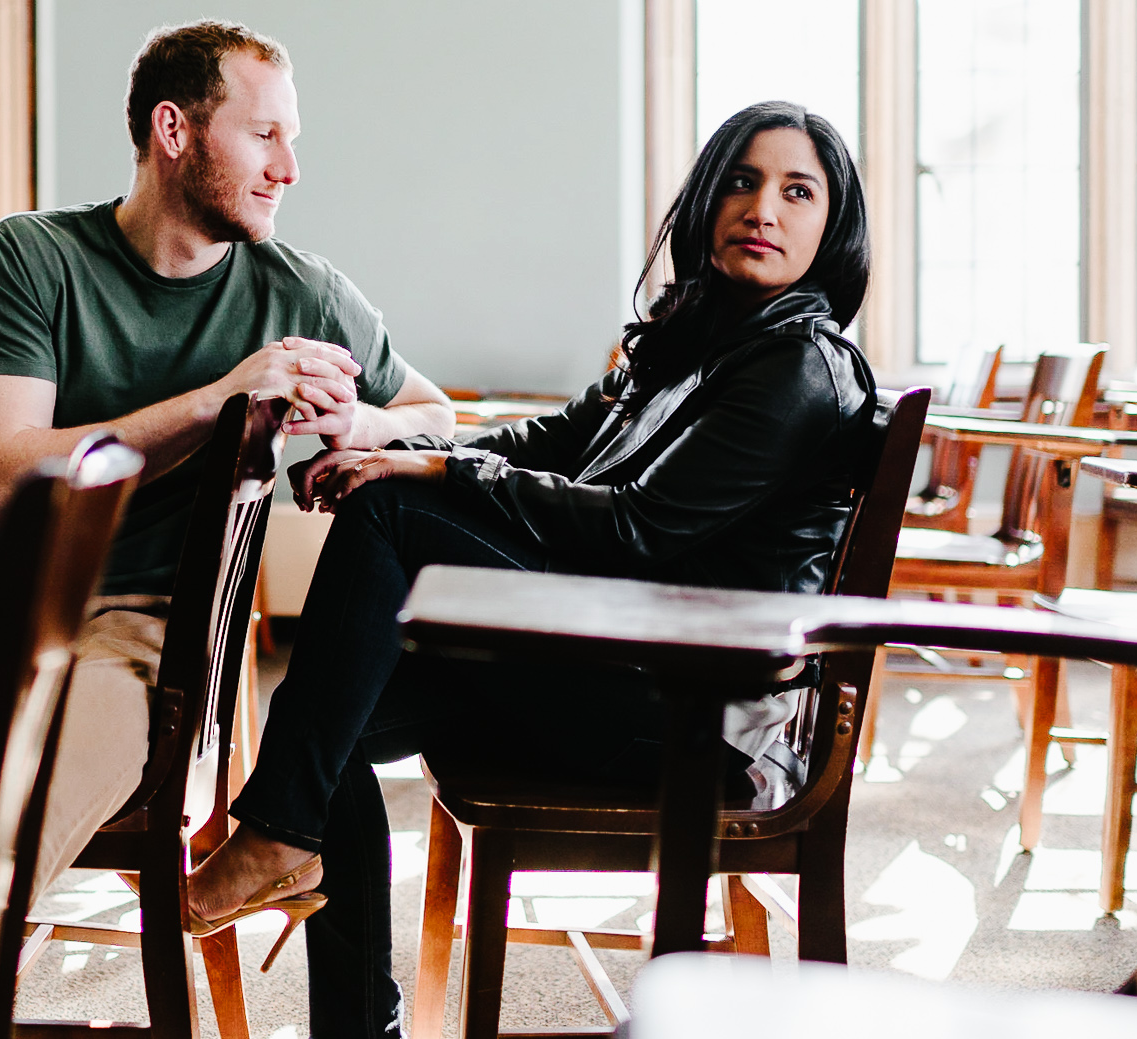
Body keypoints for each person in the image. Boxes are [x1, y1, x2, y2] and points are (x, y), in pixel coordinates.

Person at [0, 19, 455, 999]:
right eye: (263, 135)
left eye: (292, 139)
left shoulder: (303, 291)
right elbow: (6, 476)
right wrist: (219, 400)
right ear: (174, 129)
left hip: (140, 646)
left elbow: (434, 412)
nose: (288, 167)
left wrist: (358, 414)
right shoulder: (32, 256)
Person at [184, 100, 876, 1036]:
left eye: (800, 191)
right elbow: (553, 438)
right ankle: (344, 1000)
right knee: (328, 712)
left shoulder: (797, 365)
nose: (766, 207)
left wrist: (424, 467)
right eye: (746, 180)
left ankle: (273, 831)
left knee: (385, 524)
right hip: (614, 663)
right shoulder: (700, 339)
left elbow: (636, 530)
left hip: (696, 715)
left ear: (831, 227)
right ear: (710, 197)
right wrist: (413, 443)